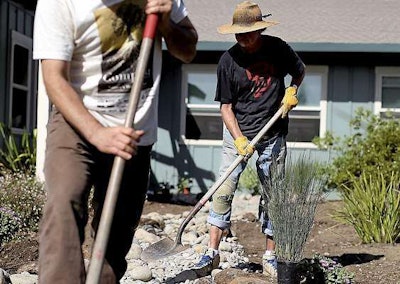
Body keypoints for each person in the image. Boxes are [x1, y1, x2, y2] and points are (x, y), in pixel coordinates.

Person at [33, 0, 197, 283]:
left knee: (117, 229)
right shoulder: (60, 2)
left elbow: (188, 50)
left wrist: (167, 23)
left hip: (135, 130)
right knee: (64, 203)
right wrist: (97, 133)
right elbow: (53, 77)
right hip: (77, 122)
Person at [194, 1, 305, 277]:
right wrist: (240, 139)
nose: (242, 38)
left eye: (249, 32)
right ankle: (212, 252)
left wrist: (292, 91)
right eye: (238, 33)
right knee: (224, 187)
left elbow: (299, 70)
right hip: (238, 131)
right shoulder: (228, 61)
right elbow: (225, 108)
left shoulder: (278, 49)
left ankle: (270, 256)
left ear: (260, 29)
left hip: (272, 131)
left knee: (273, 193)